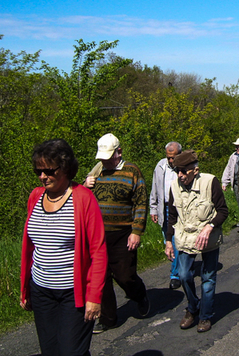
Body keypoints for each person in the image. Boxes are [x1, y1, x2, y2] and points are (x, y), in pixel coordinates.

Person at [20, 139, 107, 356]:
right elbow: (29, 247)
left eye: (49, 170)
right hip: (41, 289)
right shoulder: (35, 196)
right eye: (38, 171)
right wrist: (25, 289)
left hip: (72, 292)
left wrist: (94, 297)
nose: (42, 176)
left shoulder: (83, 198)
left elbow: (98, 250)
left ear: (66, 168)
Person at [84, 133, 149, 334]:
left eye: (108, 156)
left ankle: (139, 295)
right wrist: (85, 186)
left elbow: (140, 202)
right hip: (98, 235)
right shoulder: (96, 172)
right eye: (102, 157)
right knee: (101, 278)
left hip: (123, 234)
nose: (104, 160)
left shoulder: (132, 171)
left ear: (119, 152)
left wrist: (136, 231)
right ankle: (108, 318)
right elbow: (81, 199)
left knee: (125, 276)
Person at [165, 150, 229, 333]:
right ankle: (193, 307)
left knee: (208, 278)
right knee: (184, 275)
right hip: (185, 236)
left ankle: (205, 316)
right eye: (177, 170)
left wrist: (210, 226)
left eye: (184, 171)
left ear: (195, 170)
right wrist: (168, 241)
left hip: (208, 236)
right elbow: (172, 216)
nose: (180, 175)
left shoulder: (210, 182)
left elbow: (223, 211)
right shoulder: (174, 186)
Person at [149, 141, 182, 289]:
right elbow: (155, 187)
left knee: (175, 241)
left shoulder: (184, 166)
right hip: (165, 208)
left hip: (180, 209)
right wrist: (153, 208)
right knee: (168, 241)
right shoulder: (160, 166)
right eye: (168, 157)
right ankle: (181, 266)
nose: (170, 160)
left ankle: (175, 274)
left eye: (173, 157)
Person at [221, 138, 239, 236]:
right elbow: (228, 169)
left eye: (238, 146)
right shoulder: (233, 156)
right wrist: (224, 182)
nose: (236, 148)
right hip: (236, 184)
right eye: (236, 146)